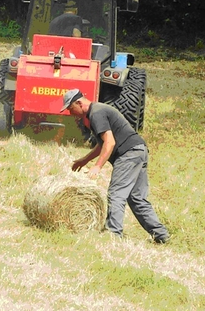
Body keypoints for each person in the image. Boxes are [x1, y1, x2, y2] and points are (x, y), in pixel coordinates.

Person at [60, 88, 170, 243]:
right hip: (139, 150)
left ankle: (113, 235)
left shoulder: (95, 113)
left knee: (116, 194)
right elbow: (102, 144)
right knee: (137, 198)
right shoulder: (97, 112)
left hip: (129, 154)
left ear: (79, 103)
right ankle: (161, 235)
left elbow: (110, 143)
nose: (71, 114)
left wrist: (97, 166)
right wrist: (84, 160)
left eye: (71, 109)